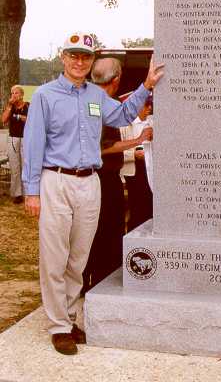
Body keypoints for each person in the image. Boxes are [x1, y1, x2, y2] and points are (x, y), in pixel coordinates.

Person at [22, 32, 164, 355]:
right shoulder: (45, 96)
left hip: (90, 182)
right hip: (56, 180)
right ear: (63, 57)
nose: (79, 61)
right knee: (55, 256)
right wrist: (32, 192)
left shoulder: (95, 98)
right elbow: (33, 145)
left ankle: (69, 317)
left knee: (79, 257)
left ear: (91, 61)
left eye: (85, 57)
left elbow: (125, 115)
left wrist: (147, 85)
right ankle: (58, 326)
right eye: (73, 56)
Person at [82, 57, 153, 294]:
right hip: (102, 178)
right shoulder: (99, 103)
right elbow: (101, 145)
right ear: (117, 79)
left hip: (96, 178)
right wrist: (137, 140)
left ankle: (90, 280)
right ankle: (102, 282)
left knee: (94, 231)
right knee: (106, 231)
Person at [122, 96, 154, 233]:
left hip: (150, 169)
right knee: (136, 208)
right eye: (146, 106)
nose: (149, 109)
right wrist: (133, 155)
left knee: (150, 206)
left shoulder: (152, 123)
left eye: (150, 106)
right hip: (133, 171)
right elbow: (115, 151)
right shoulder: (125, 125)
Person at [1, 85, 29, 203]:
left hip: (25, 139)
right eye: (12, 93)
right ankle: (17, 194)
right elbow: (3, 120)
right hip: (13, 139)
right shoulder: (11, 107)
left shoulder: (28, 105)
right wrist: (9, 105)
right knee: (15, 166)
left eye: (16, 93)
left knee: (25, 166)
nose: (14, 95)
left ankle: (27, 193)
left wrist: (18, 116)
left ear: (21, 95)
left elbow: (30, 119)